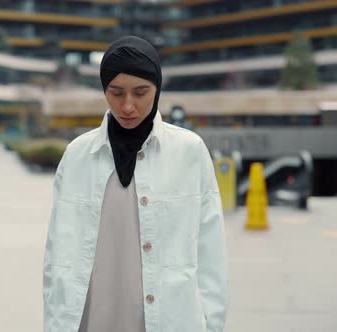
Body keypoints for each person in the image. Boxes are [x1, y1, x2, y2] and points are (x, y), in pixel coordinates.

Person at [42, 36, 228, 332]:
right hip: (91, 320)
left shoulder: (189, 151)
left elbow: (211, 253)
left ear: (157, 89)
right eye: (116, 93)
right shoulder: (77, 155)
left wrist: (213, 324)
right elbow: (56, 255)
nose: (128, 105)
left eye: (141, 92)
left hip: (169, 320)